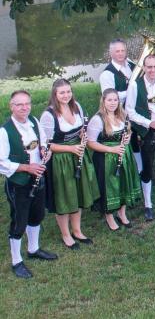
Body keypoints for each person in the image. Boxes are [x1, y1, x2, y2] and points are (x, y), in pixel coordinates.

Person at [1, 90, 58, 279]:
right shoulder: (5, 131)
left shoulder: (33, 120)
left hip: (37, 178)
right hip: (19, 184)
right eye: (19, 104)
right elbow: (2, 162)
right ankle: (16, 261)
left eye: (27, 103)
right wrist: (27, 167)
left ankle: (33, 249)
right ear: (11, 106)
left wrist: (45, 152)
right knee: (19, 221)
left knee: (37, 216)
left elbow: (43, 143)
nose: (24, 108)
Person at [40, 79, 100, 249]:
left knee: (78, 194)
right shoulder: (48, 115)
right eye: (62, 93)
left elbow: (82, 132)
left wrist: (83, 136)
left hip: (78, 155)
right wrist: (71, 148)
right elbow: (45, 144)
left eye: (68, 91)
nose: (66, 95)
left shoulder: (77, 107)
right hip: (60, 161)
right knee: (64, 197)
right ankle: (66, 234)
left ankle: (77, 230)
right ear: (55, 94)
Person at [125, 55, 155, 220]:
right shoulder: (134, 85)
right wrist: (149, 123)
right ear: (144, 68)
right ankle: (148, 204)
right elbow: (129, 111)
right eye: (149, 67)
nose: (152, 70)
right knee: (147, 168)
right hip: (147, 131)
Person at [87, 89, 142, 231]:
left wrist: (127, 138)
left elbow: (128, 133)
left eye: (115, 100)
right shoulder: (97, 119)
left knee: (124, 183)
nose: (112, 103)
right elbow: (90, 143)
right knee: (110, 187)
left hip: (124, 155)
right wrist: (112, 149)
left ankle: (122, 214)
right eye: (109, 100)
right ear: (103, 101)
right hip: (106, 158)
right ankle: (109, 216)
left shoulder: (122, 115)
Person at [98, 39, 143, 174]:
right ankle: (128, 169)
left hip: (137, 109)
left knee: (137, 139)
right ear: (111, 53)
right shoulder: (107, 74)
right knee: (129, 139)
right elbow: (110, 97)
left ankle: (140, 169)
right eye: (117, 51)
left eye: (123, 50)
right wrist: (131, 91)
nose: (120, 53)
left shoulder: (131, 65)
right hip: (119, 113)